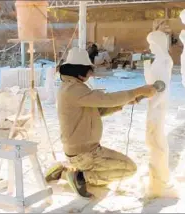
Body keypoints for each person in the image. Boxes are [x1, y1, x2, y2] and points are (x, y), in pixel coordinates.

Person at [45, 47, 166, 197]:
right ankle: (79, 177)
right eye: (89, 70)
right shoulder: (73, 90)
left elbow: (98, 110)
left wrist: (126, 102)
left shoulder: (72, 87)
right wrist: (137, 91)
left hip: (83, 150)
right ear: (79, 70)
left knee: (122, 166)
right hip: (84, 153)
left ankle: (67, 170)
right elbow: (105, 100)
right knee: (129, 169)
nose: (91, 74)